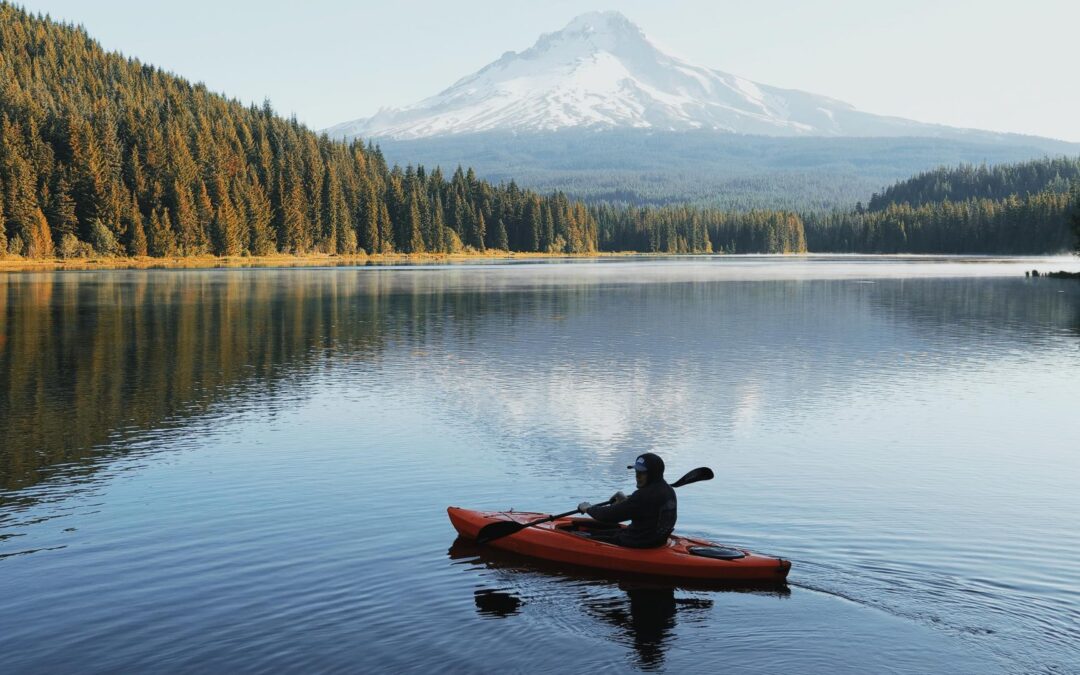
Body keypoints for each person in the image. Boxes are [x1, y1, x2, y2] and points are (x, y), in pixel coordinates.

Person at [576, 453, 677, 548]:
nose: (637, 476)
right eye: (636, 471)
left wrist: (588, 508)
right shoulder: (668, 490)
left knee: (581, 537)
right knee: (602, 531)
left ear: (653, 474)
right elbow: (645, 508)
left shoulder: (642, 496)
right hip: (656, 541)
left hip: (638, 544)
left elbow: (608, 516)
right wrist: (625, 501)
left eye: (642, 473)